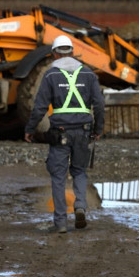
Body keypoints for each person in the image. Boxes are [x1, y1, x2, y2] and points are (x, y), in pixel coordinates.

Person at [25, 34, 104, 234]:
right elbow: (99, 104)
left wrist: (30, 129)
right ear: (72, 52)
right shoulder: (88, 74)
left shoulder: (51, 75)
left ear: (54, 54)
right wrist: (98, 129)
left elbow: (39, 106)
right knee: (79, 171)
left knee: (59, 176)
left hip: (60, 132)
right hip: (84, 131)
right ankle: (79, 207)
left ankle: (60, 223)